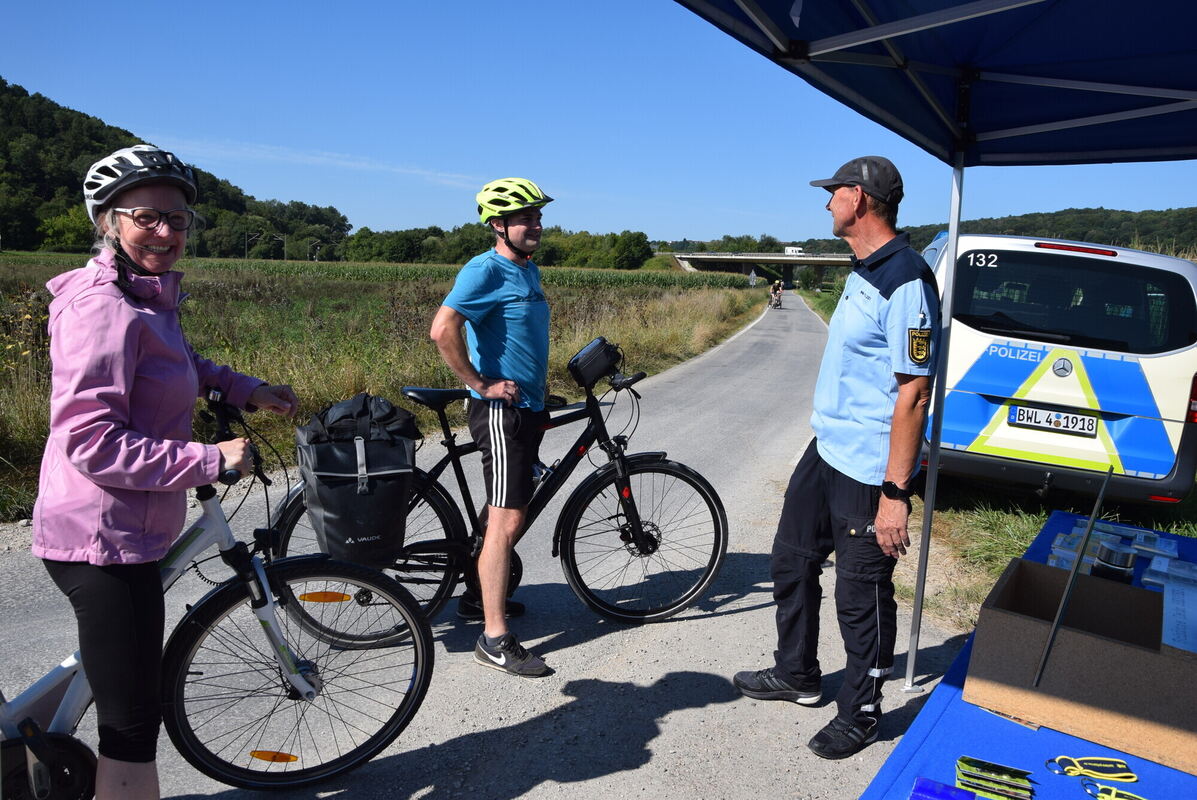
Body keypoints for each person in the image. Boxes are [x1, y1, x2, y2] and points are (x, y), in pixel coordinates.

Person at [32, 144, 298, 799]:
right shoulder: (101, 306)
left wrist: (245, 389)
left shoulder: (145, 297)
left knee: (119, 682)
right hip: (100, 538)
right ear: (108, 222)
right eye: (146, 217)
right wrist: (208, 459)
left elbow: (179, 363)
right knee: (130, 725)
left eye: (177, 220)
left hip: (125, 526)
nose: (165, 231)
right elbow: (90, 441)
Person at [732, 156, 940, 759]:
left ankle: (862, 712)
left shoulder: (905, 279)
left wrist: (895, 494)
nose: (827, 203)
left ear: (860, 198)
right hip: (827, 448)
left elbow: (914, 392)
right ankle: (796, 673)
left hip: (869, 467)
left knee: (861, 594)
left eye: (834, 193)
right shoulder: (863, 267)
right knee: (791, 561)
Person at [429, 177, 554, 678]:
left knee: (506, 511)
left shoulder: (528, 269)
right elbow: (443, 329)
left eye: (538, 217)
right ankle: (495, 639)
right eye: (525, 218)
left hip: (526, 409)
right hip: (500, 414)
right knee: (506, 521)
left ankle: (475, 597)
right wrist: (479, 383)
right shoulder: (485, 269)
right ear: (498, 225)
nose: (536, 225)